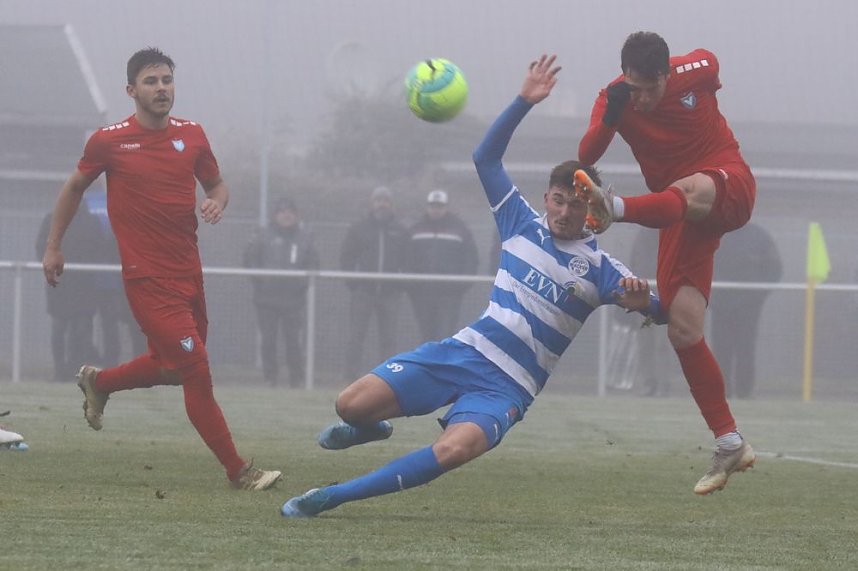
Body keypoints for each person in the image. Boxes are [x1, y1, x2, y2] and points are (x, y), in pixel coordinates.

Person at [281, 55, 666, 518]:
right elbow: (485, 157)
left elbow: (666, 311)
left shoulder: (601, 268)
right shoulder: (520, 223)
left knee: (453, 450)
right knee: (349, 405)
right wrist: (524, 100)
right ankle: (369, 427)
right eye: (559, 200)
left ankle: (331, 497)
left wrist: (649, 302)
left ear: (594, 212)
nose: (565, 211)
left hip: (508, 388)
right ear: (547, 198)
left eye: (577, 204)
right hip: (463, 353)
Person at [41, 47, 281, 490]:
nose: (161, 88)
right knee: (195, 369)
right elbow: (74, 186)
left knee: (172, 367)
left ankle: (101, 382)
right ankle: (239, 471)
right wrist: (54, 246)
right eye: (151, 82)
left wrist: (216, 201)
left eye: (167, 80)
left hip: (189, 273)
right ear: (132, 91)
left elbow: (218, 184)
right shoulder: (109, 140)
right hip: (146, 277)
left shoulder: (192, 135)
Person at [576, 31, 757, 494]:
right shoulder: (615, 98)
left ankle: (615, 209)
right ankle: (730, 441)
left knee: (689, 187)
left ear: (665, 74)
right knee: (682, 329)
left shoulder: (693, 71)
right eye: (634, 88)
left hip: (725, 182)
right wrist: (615, 114)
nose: (643, 98)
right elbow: (587, 154)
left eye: (650, 89)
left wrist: (615, 208)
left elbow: (711, 60)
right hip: (677, 214)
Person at [243, 194, 320, 387]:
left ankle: (296, 379)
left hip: (293, 300)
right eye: (282, 212)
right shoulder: (262, 235)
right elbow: (250, 260)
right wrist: (260, 281)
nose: (286, 216)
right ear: (276, 215)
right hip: (266, 300)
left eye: (290, 212)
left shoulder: (305, 238)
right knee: (268, 341)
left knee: (294, 342)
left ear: (296, 215)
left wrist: (300, 286)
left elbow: (314, 264)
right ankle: (270, 378)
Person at [339, 185, 410, 378]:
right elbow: (347, 257)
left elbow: (409, 259)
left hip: (390, 293)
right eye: (378, 200)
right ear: (372, 203)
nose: (382, 204)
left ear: (391, 204)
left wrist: (400, 284)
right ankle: (351, 379)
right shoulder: (359, 228)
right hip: (364, 292)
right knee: (356, 337)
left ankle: (386, 380)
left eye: (385, 201)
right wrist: (354, 283)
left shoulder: (401, 230)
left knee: (388, 339)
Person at [710, 222, 782, 399]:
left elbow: (774, 270)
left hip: (748, 307)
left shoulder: (760, 237)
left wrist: (758, 296)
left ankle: (744, 391)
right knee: (721, 349)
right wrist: (710, 296)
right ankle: (722, 391)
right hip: (720, 305)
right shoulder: (713, 234)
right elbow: (698, 264)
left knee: (745, 349)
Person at [36, 207, 102, 381]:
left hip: (84, 286)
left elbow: (99, 249)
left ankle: (77, 370)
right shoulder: (52, 219)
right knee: (59, 328)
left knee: (81, 329)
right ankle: (60, 371)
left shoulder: (91, 220)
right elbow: (41, 248)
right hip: (60, 285)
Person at [406, 189, 479, 342]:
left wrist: (459, 287)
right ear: (427, 207)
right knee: (426, 336)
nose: (436, 209)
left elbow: (471, 259)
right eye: (433, 206)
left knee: (445, 335)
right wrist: (413, 287)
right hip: (422, 295)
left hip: (449, 295)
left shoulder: (460, 229)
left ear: (446, 207)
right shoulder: (415, 229)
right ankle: (427, 366)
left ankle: (442, 366)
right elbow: (406, 259)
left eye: (439, 206)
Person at [84, 190, 148, 366]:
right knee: (109, 323)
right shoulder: (106, 228)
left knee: (131, 324)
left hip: (127, 285)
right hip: (110, 284)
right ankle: (112, 360)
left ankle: (138, 362)